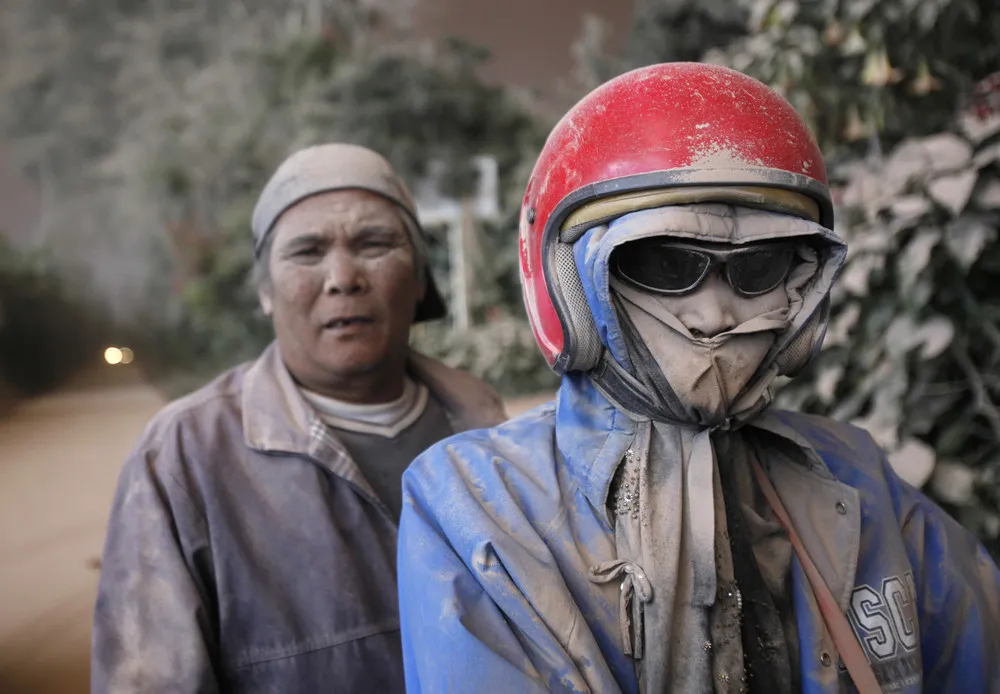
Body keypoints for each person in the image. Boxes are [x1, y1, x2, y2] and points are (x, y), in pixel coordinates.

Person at [397, 63, 1000, 694]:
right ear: (568, 283)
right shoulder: (477, 504)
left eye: (759, 268)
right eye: (664, 262)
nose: (715, 315)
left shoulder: (855, 474)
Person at [91, 143, 507, 693]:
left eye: (375, 244)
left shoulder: (485, 432)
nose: (342, 277)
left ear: (422, 279)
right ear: (265, 291)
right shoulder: (182, 458)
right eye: (307, 252)